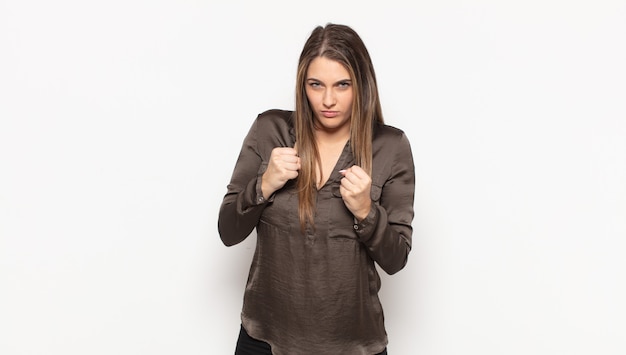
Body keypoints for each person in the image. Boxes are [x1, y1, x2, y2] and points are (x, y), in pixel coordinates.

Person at [218, 23, 415, 355]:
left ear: (362, 86)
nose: (327, 100)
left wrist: (367, 212)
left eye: (342, 85)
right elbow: (228, 231)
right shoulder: (270, 130)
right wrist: (264, 185)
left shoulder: (390, 146)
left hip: (353, 346)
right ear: (302, 86)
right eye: (315, 85)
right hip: (264, 341)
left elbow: (396, 259)